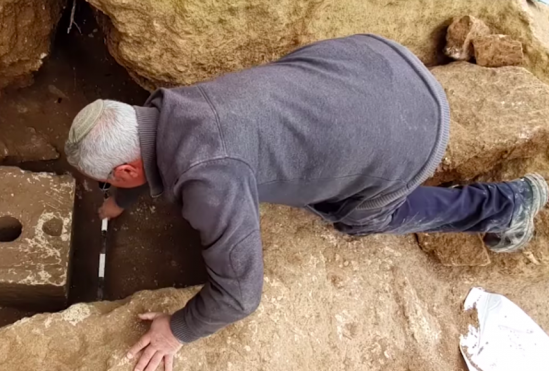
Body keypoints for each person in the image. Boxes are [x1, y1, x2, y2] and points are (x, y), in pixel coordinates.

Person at [64, 34, 548, 371]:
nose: (109, 186)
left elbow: (239, 295)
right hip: (377, 61)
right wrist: (124, 195)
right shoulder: (174, 105)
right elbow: (155, 147)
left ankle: (505, 205)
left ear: (126, 169)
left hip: (412, 133)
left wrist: (178, 329)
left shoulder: (209, 179)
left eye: (109, 180)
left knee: (356, 217)